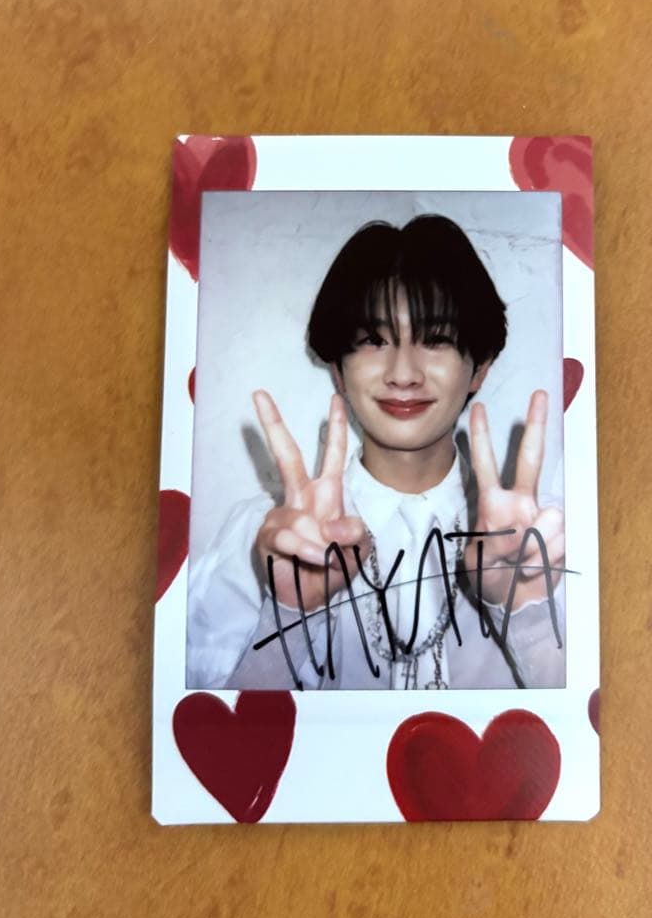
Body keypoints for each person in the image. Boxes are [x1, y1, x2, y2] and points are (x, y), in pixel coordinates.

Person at [186, 215, 566, 690]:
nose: (403, 374)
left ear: (479, 369)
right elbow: (200, 728)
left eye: (436, 339)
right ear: (338, 371)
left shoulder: (545, 539)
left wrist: (532, 623)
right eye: (373, 340)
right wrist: (290, 616)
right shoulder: (266, 535)